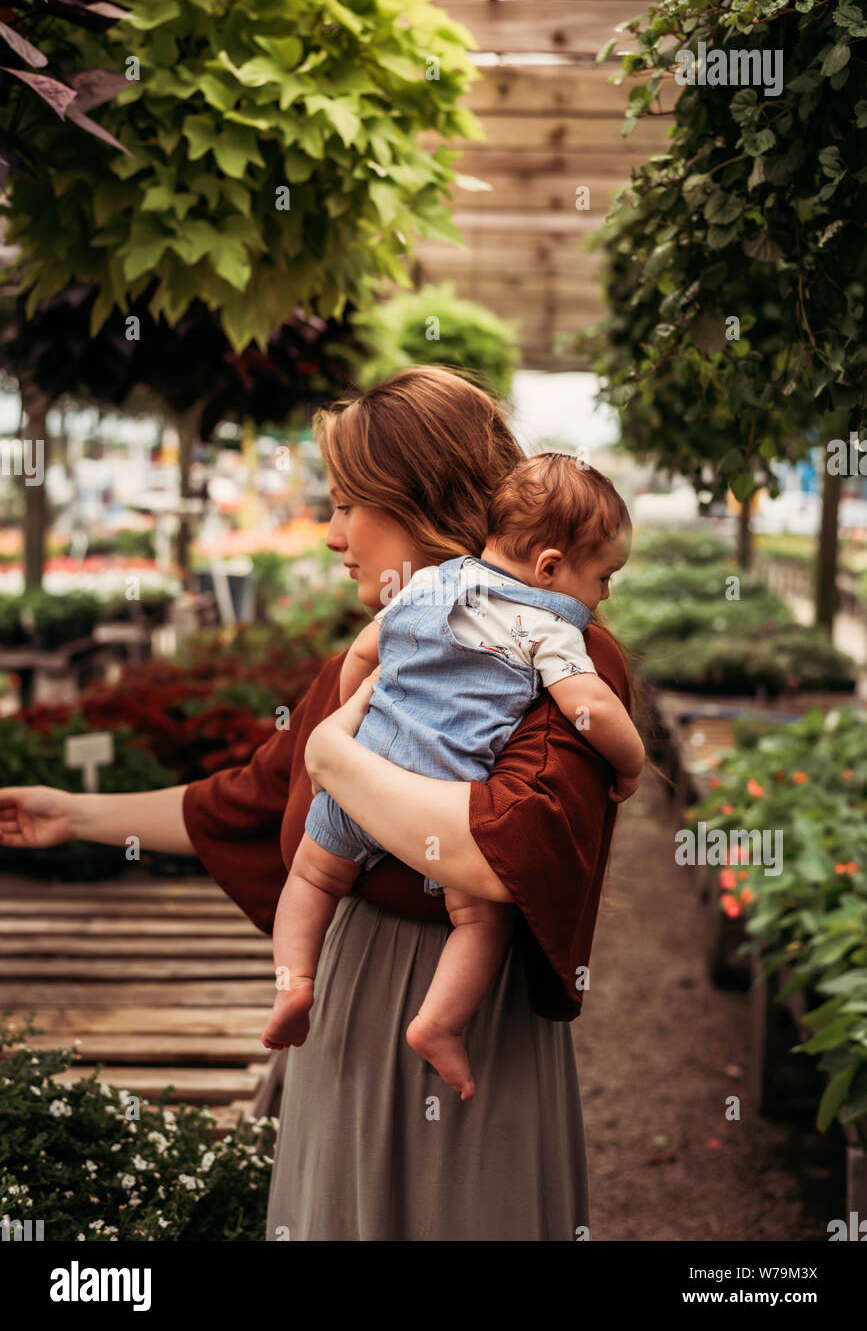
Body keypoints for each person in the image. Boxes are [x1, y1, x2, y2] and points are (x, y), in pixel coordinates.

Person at [0, 366, 634, 1241]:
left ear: (420, 502)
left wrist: (338, 757)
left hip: (460, 1023)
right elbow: (253, 797)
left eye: (346, 505)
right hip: (343, 1015)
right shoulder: (385, 655)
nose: (333, 535)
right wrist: (73, 816)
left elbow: (494, 855)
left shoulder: (565, 657)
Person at [263, 454, 645, 1106]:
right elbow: (592, 708)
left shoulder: (431, 583)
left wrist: (347, 722)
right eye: (602, 577)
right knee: (480, 923)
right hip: (441, 804)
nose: (604, 595)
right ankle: (438, 1024)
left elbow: (361, 652)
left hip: (364, 775)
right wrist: (630, 764)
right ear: (549, 568)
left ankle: (295, 979)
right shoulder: (545, 626)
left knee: (310, 876)